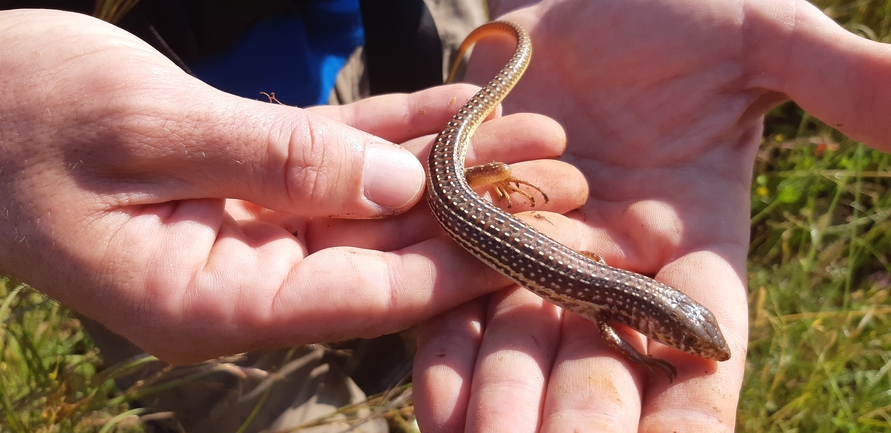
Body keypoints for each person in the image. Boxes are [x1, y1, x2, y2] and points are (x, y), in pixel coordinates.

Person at [2, 1, 890, 432]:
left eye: (697, 341)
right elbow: (610, 320)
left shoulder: (629, 304)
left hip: (388, 39)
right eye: (695, 342)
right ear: (662, 322)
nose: (702, 345)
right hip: (173, 152)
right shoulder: (628, 307)